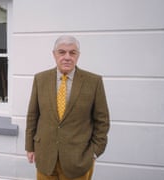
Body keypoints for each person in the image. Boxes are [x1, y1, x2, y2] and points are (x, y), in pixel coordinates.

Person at [25, 35, 110, 180]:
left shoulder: (93, 82)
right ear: (54, 54)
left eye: (72, 52)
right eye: (62, 52)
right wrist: (30, 146)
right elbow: (33, 115)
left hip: (78, 161)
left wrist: (95, 152)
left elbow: (102, 121)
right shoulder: (40, 79)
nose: (67, 57)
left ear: (78, 55)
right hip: (45, 157)